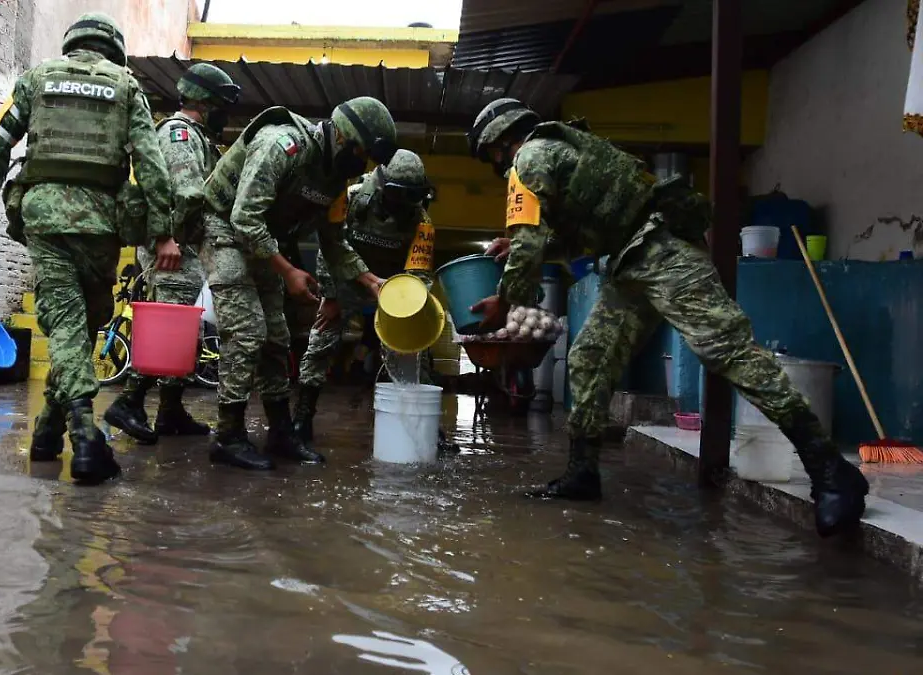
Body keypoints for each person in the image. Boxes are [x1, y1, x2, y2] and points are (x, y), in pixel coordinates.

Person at [467, 98, 868, 537]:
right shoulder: (555, 149)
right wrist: (529, 248)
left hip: (662, 248)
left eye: (491, 154)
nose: (495, 163)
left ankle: (829, 468)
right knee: (589, 359)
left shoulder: (528, 158)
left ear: (502, 141)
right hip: (630, 258)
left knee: (725, 348)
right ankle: (582, 472)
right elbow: (575, 235)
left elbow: (528, 243)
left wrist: (505, 301)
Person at [0, 13, 179, 485]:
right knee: (76, 326)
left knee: (77, 329)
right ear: (113, 51)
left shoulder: (36, 81)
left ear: (72, 44)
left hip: (45, 218)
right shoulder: (126, 87)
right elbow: (151, 163)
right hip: (101, 225)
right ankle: (86, 438)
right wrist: (163, 232)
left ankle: (46, 432)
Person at [202, 97, 396, 471]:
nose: (361, 164)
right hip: (223, 228)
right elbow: (243, 218)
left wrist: (370, 280)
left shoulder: (336, 181)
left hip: (263, 239)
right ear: (342, 135)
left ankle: (280, 431)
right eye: (359, 152)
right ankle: (227, 435)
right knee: (247, 331)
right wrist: (288, 271)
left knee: (276, 334)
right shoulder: (282, 144)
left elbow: (335, 243)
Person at [104, 63, 242, 444]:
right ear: (203, 100)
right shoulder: (179, 133)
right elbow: (188, 192)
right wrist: (171, 239)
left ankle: (169, 410)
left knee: (185, 332)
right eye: (219, 104)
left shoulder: (195, 135)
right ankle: (129, 402)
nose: (222, 112)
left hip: (181, 245)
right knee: (168, 330)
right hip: (173, 248)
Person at [292, 149, 439, 441]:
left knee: (413, 352)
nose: (405, 204)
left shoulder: (421, 219)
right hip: (345, 280)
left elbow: (419, 273)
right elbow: (329, 248)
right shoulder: (351, 197)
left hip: (392, 287)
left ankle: (427, 429)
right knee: (321, 341)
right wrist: (331, 297)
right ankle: (302, 418)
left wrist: (407, 310)